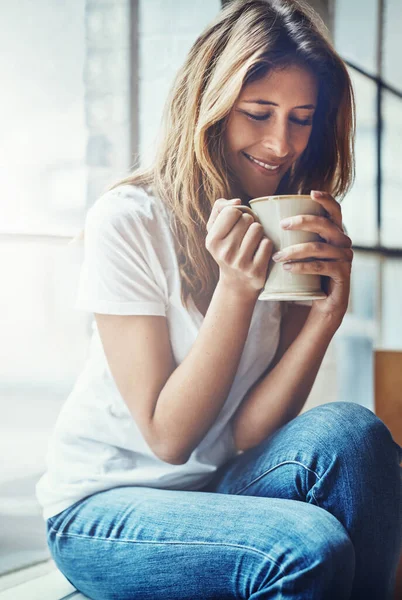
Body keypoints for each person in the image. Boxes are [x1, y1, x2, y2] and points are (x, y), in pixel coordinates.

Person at [36, 0, 402, 598]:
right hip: (104, 507)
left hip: (219, 485)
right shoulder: (129, 220)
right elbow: (169, 438)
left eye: (302, 118)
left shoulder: (283, 219)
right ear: (211, 107)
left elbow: (250, 434)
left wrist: (326, 314)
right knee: (307, 547)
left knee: (357, 434)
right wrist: (236, 289)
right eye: (259, 113)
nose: (281, 144)